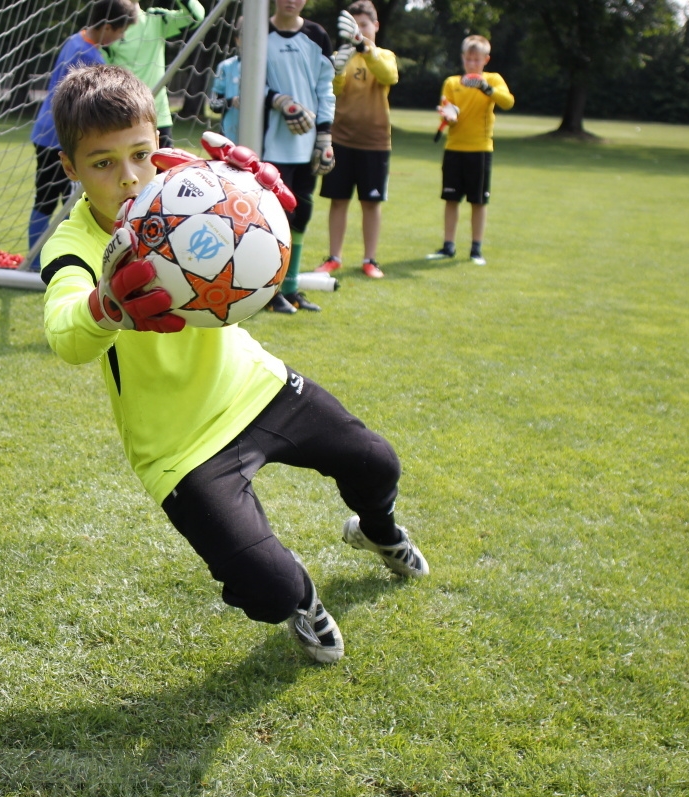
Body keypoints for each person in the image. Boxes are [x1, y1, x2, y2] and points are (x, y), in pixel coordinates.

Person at [41, 64, 428, 665]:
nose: (129, 177)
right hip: (178, 445)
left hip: (255, 386)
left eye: (142, 153)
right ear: (70, 168)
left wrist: (254, 203)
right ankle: (301, 598)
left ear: (159, 144)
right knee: (267, 591)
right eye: (102, 163)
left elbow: (243, 221)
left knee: (376, 463)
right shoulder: (74, 247)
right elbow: (66, 334)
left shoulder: (189, 183)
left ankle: (378, 531)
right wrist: (105, 306)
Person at [28, 0, 137, 266]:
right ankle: (39, 262)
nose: (121, 38)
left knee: (57, 200)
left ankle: (48, 260)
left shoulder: (74, 40)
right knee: (69, 202)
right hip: (63, 140)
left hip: (47, 133)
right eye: (121, 32)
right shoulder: (90, 58)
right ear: (109, 26)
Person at [313, 2, 398, 280]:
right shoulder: (341, 55)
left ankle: (369, 259)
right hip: (341, 139)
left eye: (364, 25)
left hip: (375, 141)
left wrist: (365, 48)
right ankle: (334, 257)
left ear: (375, 26)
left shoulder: (383, 55)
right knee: (338, 200)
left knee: (371, 203)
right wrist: (338, 68)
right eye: (355, 25)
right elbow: (333, 91)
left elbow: (389, 76)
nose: (359, 30)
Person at [262, 0, 336, 314]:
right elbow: (239, 80)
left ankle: (290, 289)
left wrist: (325, 135)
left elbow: (325, 88)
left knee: (301, 214)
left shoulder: (317, 35)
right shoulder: (257, 32)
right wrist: (278, 101)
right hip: (267, 144)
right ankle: (268, 291)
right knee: (272, 219)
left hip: (307, 146)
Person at [425, 34, 514, 266]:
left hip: (480, 149)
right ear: (463, 58)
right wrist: (449, 116)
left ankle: (476, 249)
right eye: (468, 59)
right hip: (454, 148)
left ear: (486, 59)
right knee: (451, 198)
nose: (472, 64)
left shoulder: (493, 80)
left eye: (477, 60)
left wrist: (486, 88)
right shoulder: (452, 82)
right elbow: (449, 109)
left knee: (478, 201)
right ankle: (448, 246)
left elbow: (508, 101)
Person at [104, 0, 205, 149]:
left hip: (158, 115)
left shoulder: (156, 19)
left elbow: (195, 16)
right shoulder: (109, 28)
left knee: (167, 171)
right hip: (123, 116)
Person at [208, 19, 242, 144]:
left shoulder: (267, 66)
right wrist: (231, 101)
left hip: (261, 139)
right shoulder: (225, 67)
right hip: (229, 138)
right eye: (244, 36)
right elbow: (213, 104)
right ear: (237, 39)